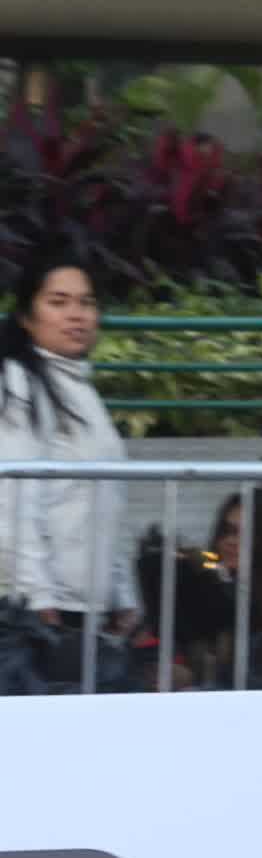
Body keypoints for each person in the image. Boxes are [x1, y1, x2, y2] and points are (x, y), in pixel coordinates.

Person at [0, 245, 140, 686]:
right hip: (36, 613)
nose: (75, 315)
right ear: (26, 315)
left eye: (86, 303)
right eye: (57, 302)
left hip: (84, 608)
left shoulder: (82, 388)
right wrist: (37, 597)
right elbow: (14, 499)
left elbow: (108, 498)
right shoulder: (18, 384)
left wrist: (122, 591)